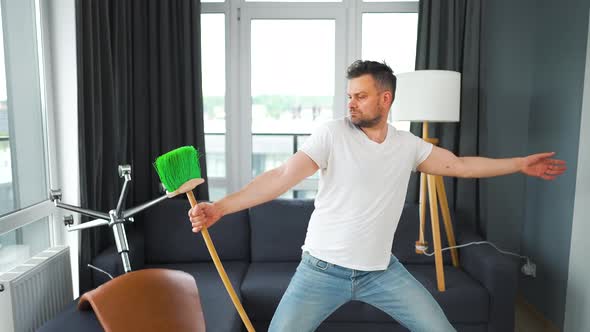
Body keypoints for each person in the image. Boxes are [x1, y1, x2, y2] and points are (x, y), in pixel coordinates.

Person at [188, 60, 567, 332]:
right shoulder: (332, 134)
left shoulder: (408, 146)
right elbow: (282, 175)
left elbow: (460, 165)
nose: (350, 103)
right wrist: (221, 207)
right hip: (320, 271)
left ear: (385, 100)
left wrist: (519, 163)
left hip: (381, 273)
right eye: (349, 95)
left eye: (361, 96)